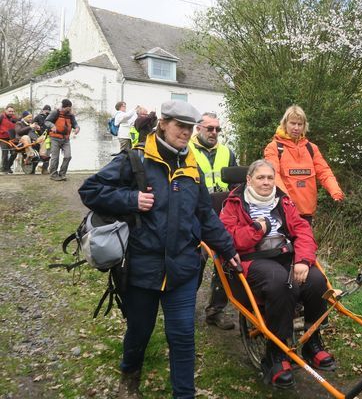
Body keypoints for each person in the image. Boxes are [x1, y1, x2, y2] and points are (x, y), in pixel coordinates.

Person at [78, 100, 241, 399]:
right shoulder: (135, 159)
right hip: (141, 269)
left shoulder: (192, 166)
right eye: (180, 125)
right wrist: (130, 200)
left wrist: (228, 248)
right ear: (163, 123)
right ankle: (129, 377)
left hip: (183, 269)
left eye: (190, 127)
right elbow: (90, 190)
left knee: (182, 337)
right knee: (139, 332)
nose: (186, 132)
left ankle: (184, 394)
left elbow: (205, 215)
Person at [220, 159, 335, 389]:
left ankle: (312, 342)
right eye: (260, 177)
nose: (266, 182)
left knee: (316, 281)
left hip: (287, 256)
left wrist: (303, 260)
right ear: (249, 179)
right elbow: (228, 238)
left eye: (270, 178)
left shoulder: (282, 200)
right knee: (280, 283)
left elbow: (302, 230)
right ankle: (276, 354)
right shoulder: (233, 203)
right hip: (253, 260)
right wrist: (257, 229)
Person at [188, 112, 238, 330]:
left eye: (218, 129)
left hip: (222, 215)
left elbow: (237, 185)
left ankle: (215, 311)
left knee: (225, 262)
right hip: (195, 215)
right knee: (194, 262)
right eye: (210, 128)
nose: (214, 133)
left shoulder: (227, 152)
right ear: (198, 129)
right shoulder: (185, 151)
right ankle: (184, 308)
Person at [264, 105, 344, 224]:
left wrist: (335, 191)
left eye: (300, 124)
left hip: (307, 214)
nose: (296, 127)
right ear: (285, 123)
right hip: (284, 212)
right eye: (292, 123)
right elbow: (273, 175)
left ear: (304, 126)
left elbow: (324, 172)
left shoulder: (311, 148)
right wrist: (286, 200)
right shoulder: (274, 147)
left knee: (306, 243)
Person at [45, 99, 80, 181]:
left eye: (70, 108)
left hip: (66, 139)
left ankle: (62, 173)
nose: (69, 110)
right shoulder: (55, 112)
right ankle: (53, 174)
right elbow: (47, 121)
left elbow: (75, 123)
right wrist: (52, 126)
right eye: (67, 108)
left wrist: (77, 128)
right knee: (55, 157)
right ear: (63, 107)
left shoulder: (70, 115)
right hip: (55, 138)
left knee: (68, 156)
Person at [33, 105, 52, 174]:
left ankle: (45, 169)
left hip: (49, 137)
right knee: (41, 154)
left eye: (49, 111)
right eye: (46, 110)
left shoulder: (50, 117)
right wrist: (37, 127)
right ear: (43, 110)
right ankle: (36, 168)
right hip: (41, 137)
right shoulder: (38, 117)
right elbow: (33, 125)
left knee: (48, 153)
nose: (47, 112)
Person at [0, 104, 17, 174]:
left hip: (11, 139)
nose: (11, 113)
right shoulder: (1, 116)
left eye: (12, 111)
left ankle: (7, 167)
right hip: (2, 138)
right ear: (6, 110)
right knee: (5, 153)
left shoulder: (14, 118)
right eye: (9, 111)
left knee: (14, 152)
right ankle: (3, 169)